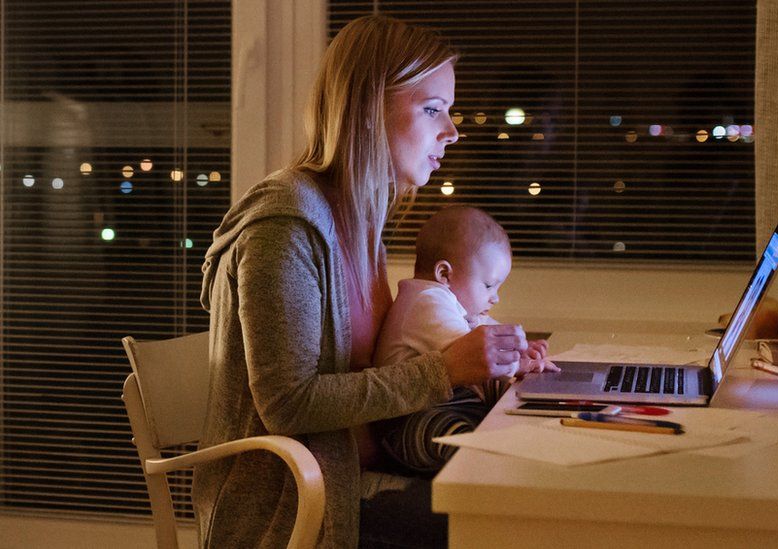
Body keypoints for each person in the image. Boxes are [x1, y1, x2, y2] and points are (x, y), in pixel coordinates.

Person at [193, 15, 527, 549]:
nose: (452, 131)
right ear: (369, 108)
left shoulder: (359, 222)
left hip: (361, 473)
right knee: (516, 521)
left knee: (524, 487)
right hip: (303, 503)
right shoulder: (288, 222)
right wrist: (443, 369)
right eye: (432, 109)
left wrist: (493, 357)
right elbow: (288, 404)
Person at [374, 206, 557, 474]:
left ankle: (523, 429)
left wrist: (522, 348)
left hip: (455, 403)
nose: (495, 297)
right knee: (451, 433)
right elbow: (475, 351)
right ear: (444, 274)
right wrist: (517, 363)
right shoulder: (425, 302)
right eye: (488, 285)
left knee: (512, 390)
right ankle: (476, 462)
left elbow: (487, 333)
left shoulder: (456, 305)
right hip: (407, 420)